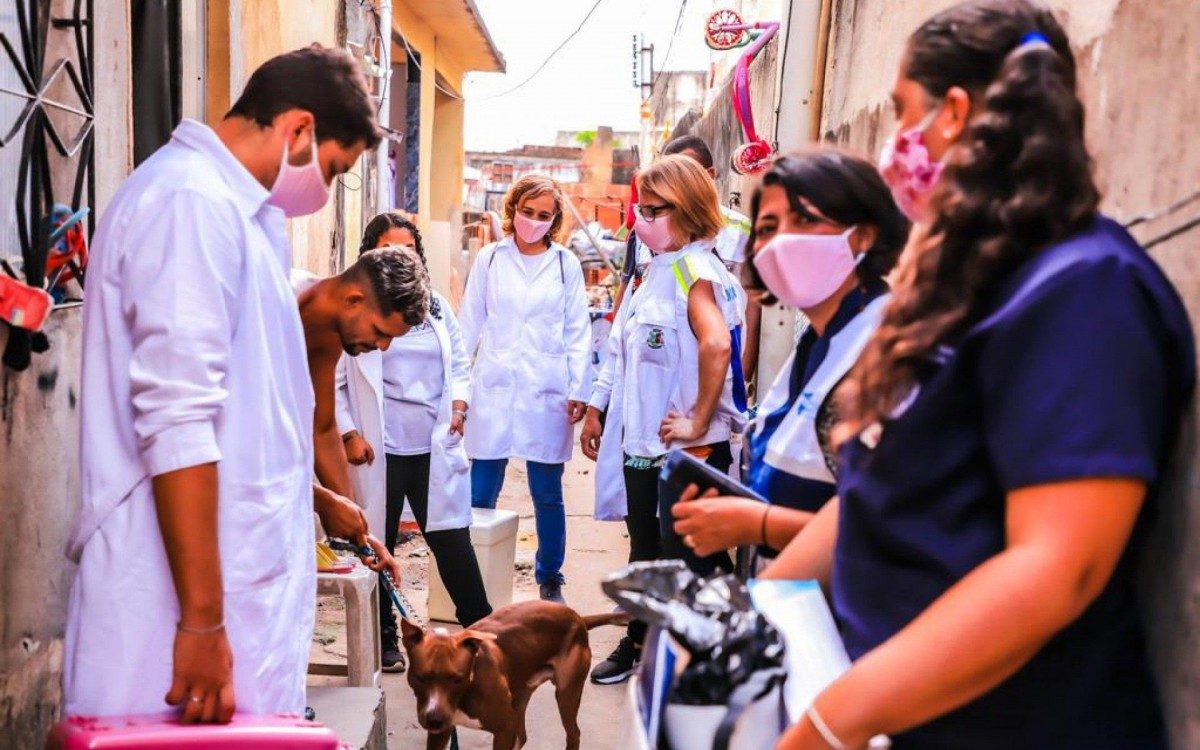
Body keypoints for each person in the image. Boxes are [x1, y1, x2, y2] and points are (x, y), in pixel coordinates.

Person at [766, 2, 1195, 748]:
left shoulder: (1084, 290)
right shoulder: (969, 287)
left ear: (955, 115)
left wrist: (832, 725)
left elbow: (1058, 567)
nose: (893, 146)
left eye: (903, 112)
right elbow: (878, 493)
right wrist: (749, 616)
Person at [65, 45, 385, 722]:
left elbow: (247, 419)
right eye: (334, 168)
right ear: (299, 129)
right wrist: (203, 621)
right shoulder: (189, 204)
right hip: (169, 605)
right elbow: (178, 419)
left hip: (238, 587)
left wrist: (314, 497)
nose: (326, 188)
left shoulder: (247, 216)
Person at [671, 151, 908, 558]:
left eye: (805, 220)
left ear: (864, 235)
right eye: (767, 228)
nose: (780, 242)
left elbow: (895, 528)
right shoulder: (819, 341)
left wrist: (758, 524)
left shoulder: (891, 352)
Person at [581, 155, 747, 685]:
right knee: (646, 552)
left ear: (689, 210)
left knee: (688, 563)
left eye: (654, 210)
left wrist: (698, 421)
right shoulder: (654, 271)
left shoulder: (695, 271)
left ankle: (698, 664)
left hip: (685, 449)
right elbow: (621, 350)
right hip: (643, 445)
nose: (642, 219)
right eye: (641, 209)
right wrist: (598, 408)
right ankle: (642, 643)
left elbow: (717, 346)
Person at [336, 213, 492, 673]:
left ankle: (484, 630)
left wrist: (459, 405)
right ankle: (385, 634)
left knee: (452, 540)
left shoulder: (436, 306)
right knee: (377, 544)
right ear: (369, 254)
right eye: (389, 249)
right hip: (377, 447)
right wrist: (348, 432)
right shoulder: (355, 306)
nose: (400, 258)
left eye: (408, 250)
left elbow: (459, 363)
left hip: (432, 445)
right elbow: (334, 382)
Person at [458, 175, 591, 605]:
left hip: (545, 390)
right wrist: (457, 387)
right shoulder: (490, 259)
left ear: (554, 219)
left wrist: (580, 388)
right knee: (480, 490)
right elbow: (469, 323)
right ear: (512, 209)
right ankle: (472, 575)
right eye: (527, 212)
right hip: (493, 387)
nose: (533, 221)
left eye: (543, 215)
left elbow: (578, 330)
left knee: (547, 493)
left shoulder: (565, 265)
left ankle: (550, 576)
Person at [293, 244, 430, 587]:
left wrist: (357, 528)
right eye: (381, 332)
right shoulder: (276, 307)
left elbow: (322, 427)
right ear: (354, 300)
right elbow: (240, 450)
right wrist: (324, 501)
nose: (382, 347)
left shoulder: (327, 327)